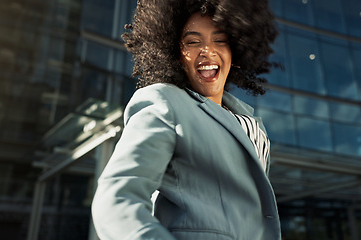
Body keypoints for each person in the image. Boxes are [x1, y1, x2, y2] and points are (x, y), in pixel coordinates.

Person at [91, 0, 281, 239]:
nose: (208, 51)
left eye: (220, 40)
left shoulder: (252, 122)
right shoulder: (164, 102)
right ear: (175, 54)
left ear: (236, 49)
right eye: (192, 42)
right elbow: (117, 198)